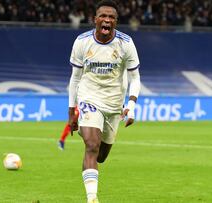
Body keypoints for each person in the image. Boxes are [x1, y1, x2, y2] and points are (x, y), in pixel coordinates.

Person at [67, 0, 141, 202]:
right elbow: (75, 78)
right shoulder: (82, 42)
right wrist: (71, 110)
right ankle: (92, 198)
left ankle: (91, 173)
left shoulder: (126, 43)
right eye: (103, 16)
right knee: (91, 145)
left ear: (116, 22)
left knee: (100, 156)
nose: (107, 20)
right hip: (88, 98)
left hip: (114, 103)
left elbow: (135, 78)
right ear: (95, 19)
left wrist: (131, 105)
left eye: (111, 17)